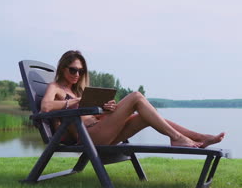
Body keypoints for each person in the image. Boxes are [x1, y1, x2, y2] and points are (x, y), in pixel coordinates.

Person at [41, 50, 225, 148]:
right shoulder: (55, 87)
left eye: (80, 71)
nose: (77, 74)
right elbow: (46, 107)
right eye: (73, 69)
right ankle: (177, 138)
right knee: (136, 96)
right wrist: (75, 102)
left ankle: (201, 137)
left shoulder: (79, 93)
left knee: (144, 116)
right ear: (63, 68)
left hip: (100, 129)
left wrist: (105, 110)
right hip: (89, 138)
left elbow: (90, 115)